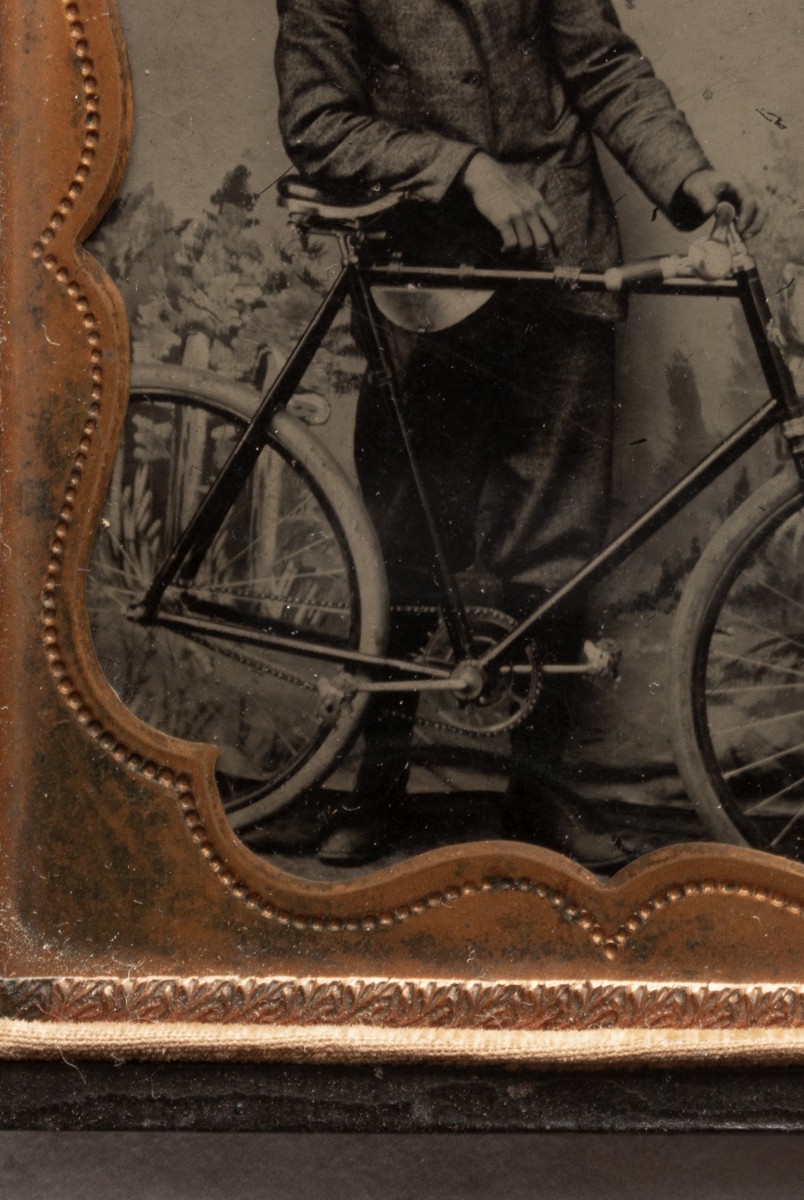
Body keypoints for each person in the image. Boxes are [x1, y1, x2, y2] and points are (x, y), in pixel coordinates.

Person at [275, 0, 764, 868]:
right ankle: (378, 787)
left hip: (556, 258)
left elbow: (603, 64)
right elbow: (318, 123)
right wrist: (462, 166)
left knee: (557, 539)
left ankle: (540, 798)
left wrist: (690, 177)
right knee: (407, 539)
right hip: (421, 270)